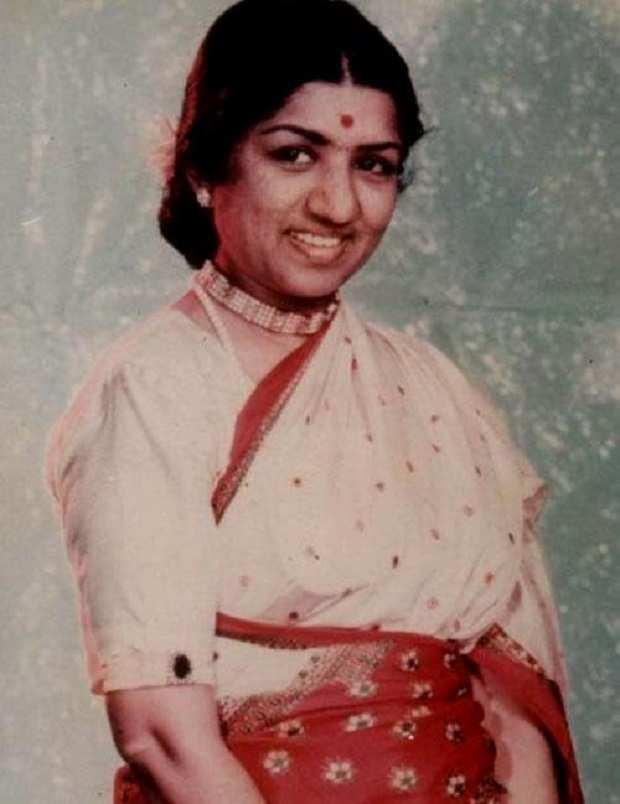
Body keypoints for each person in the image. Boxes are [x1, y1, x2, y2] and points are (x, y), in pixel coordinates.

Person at [46, 0, 584, 801]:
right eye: (295, 155)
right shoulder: (155, 388)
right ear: (204, 169)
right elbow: (163, 738)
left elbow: (511, 705)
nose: (339, 206)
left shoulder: (435, 388)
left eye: (374, 165)